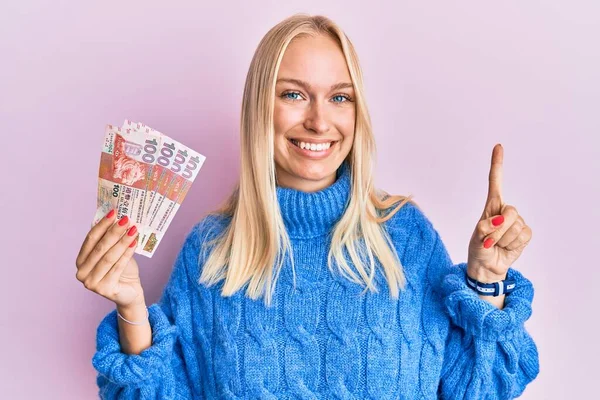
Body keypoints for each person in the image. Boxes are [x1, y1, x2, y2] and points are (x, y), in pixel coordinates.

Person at [76, 13, 540, 399]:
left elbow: (477, 390)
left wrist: (485, 281)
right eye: (294, 94)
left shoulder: (404, 236)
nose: (319, 121)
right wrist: (131, 305)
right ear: (261, 107)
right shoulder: (211, 251)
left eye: (340, 97)